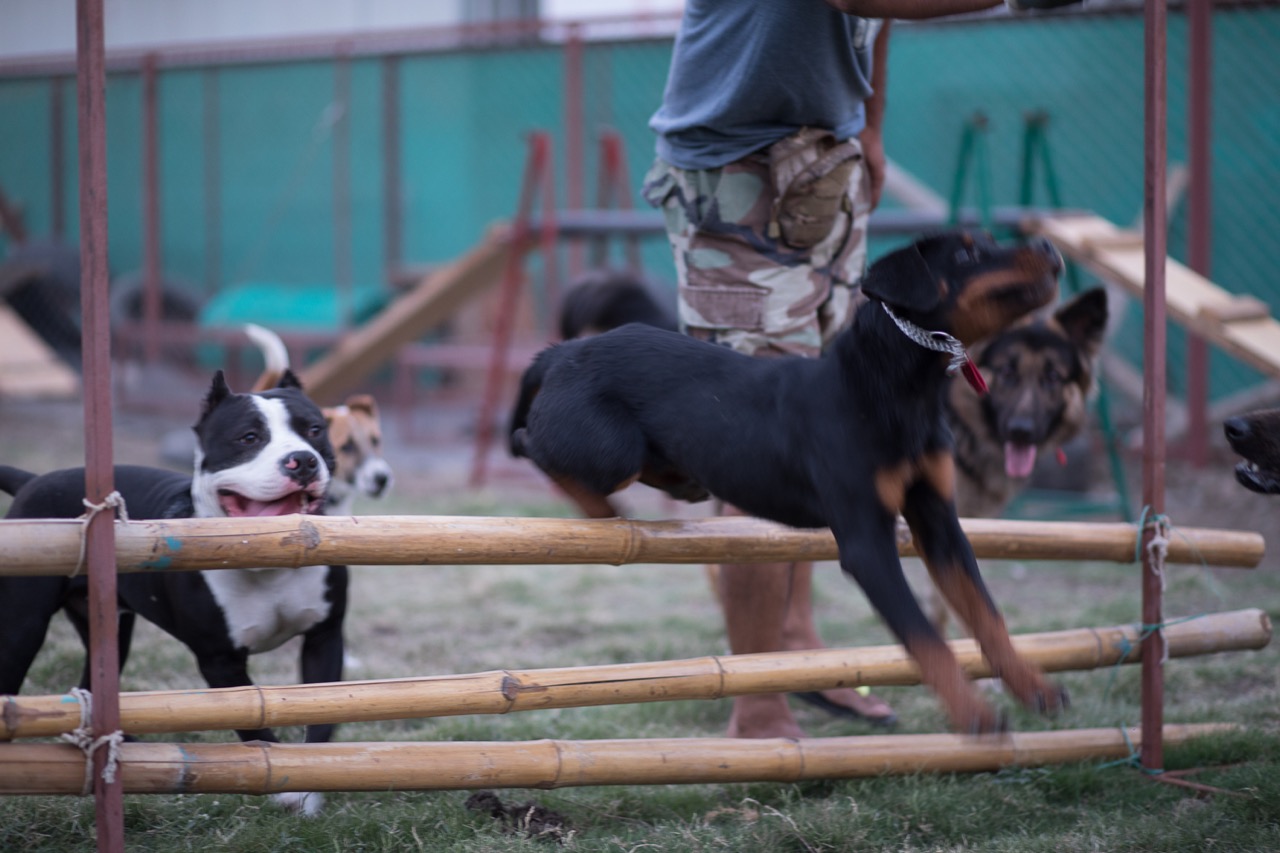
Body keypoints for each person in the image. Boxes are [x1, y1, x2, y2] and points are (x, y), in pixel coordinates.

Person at [643, 0, 1080, 739]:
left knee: (824, 437)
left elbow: (877, 21)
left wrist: (869, 123)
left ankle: (800, 648)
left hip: (829, 167)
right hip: (735, 173)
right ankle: (758, 699)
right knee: (758, 444)